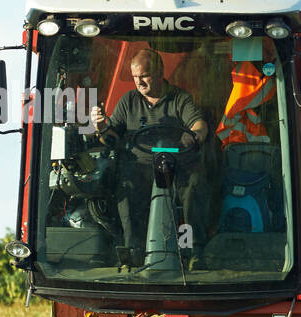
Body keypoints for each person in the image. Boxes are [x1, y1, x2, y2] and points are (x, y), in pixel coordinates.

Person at [89, 49, 211, 267]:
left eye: (143, 76)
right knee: (125, 189)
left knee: (194, 187)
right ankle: (133, 252)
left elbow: (200, 125)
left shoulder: (179, 98)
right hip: (141, 167)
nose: (139, 82)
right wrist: (101, 127)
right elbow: (111, 137)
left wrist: (192, 135)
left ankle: (193, 250)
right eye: (135, 77)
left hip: (176, 165)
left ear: (159, 72)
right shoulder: (129, 101)